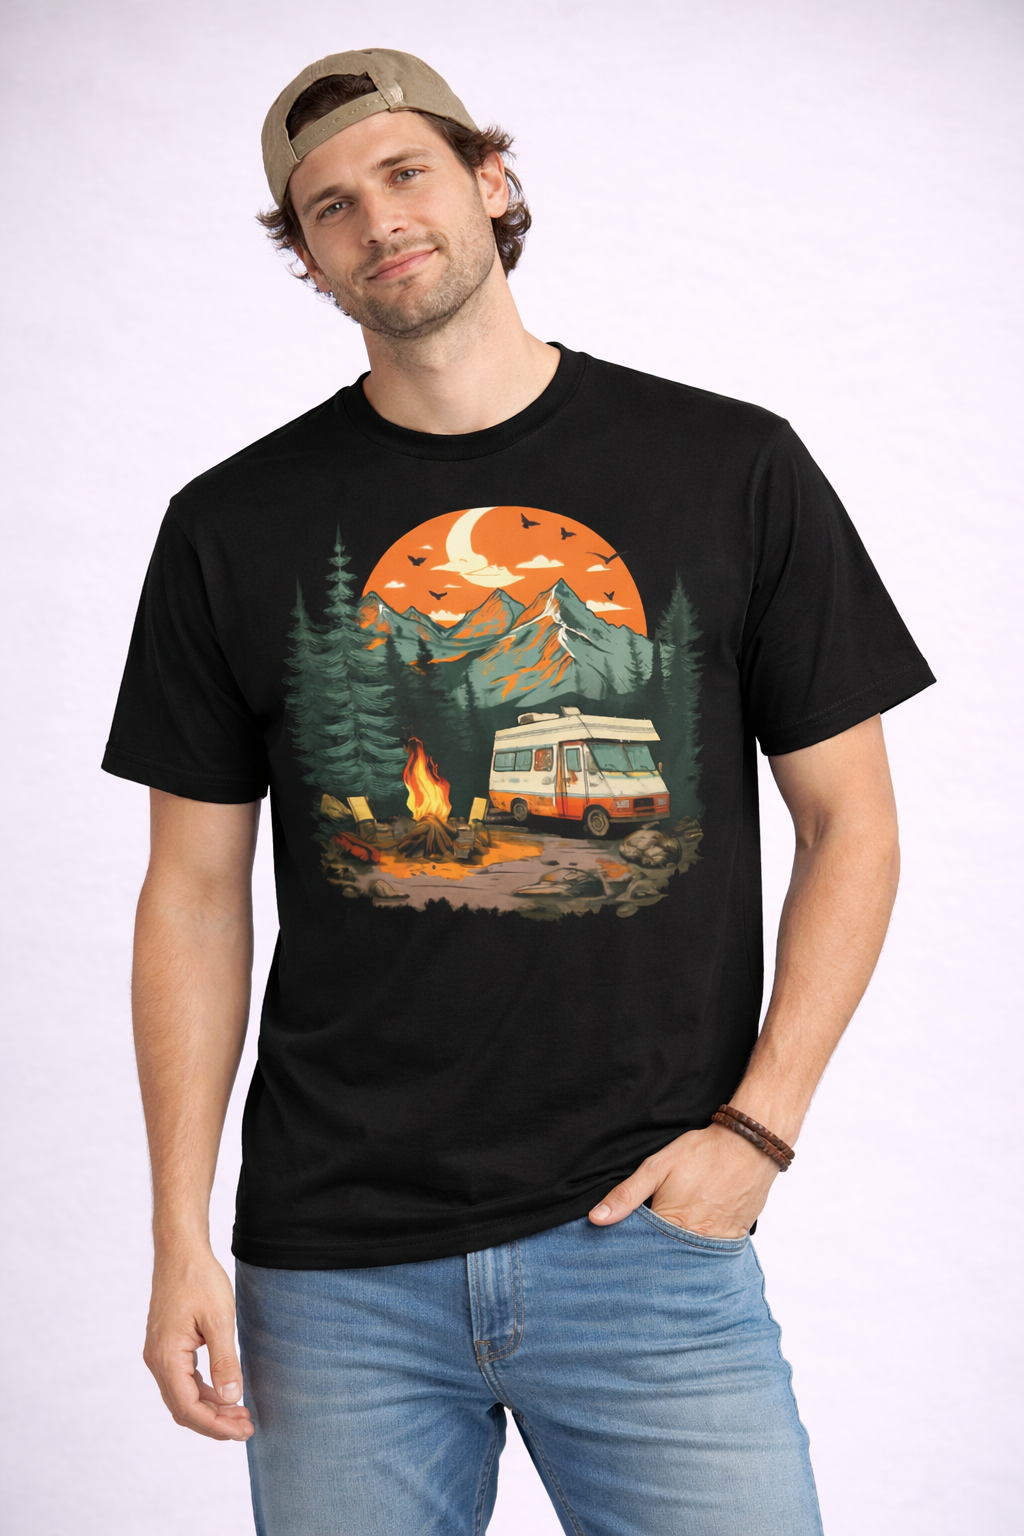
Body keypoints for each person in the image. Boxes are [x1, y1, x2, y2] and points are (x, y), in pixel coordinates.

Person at [103, 47, 935, 1536]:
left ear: (491, 182)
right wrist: (177, 1234)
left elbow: (852, 824)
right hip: (333, 1274)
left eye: (407, 173)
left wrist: (757, 1133)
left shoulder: (730, 465)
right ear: (309, 258)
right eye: (330, 206)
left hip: (646, 1244)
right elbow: (192, 893)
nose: (379, 220)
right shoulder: (229, 525)